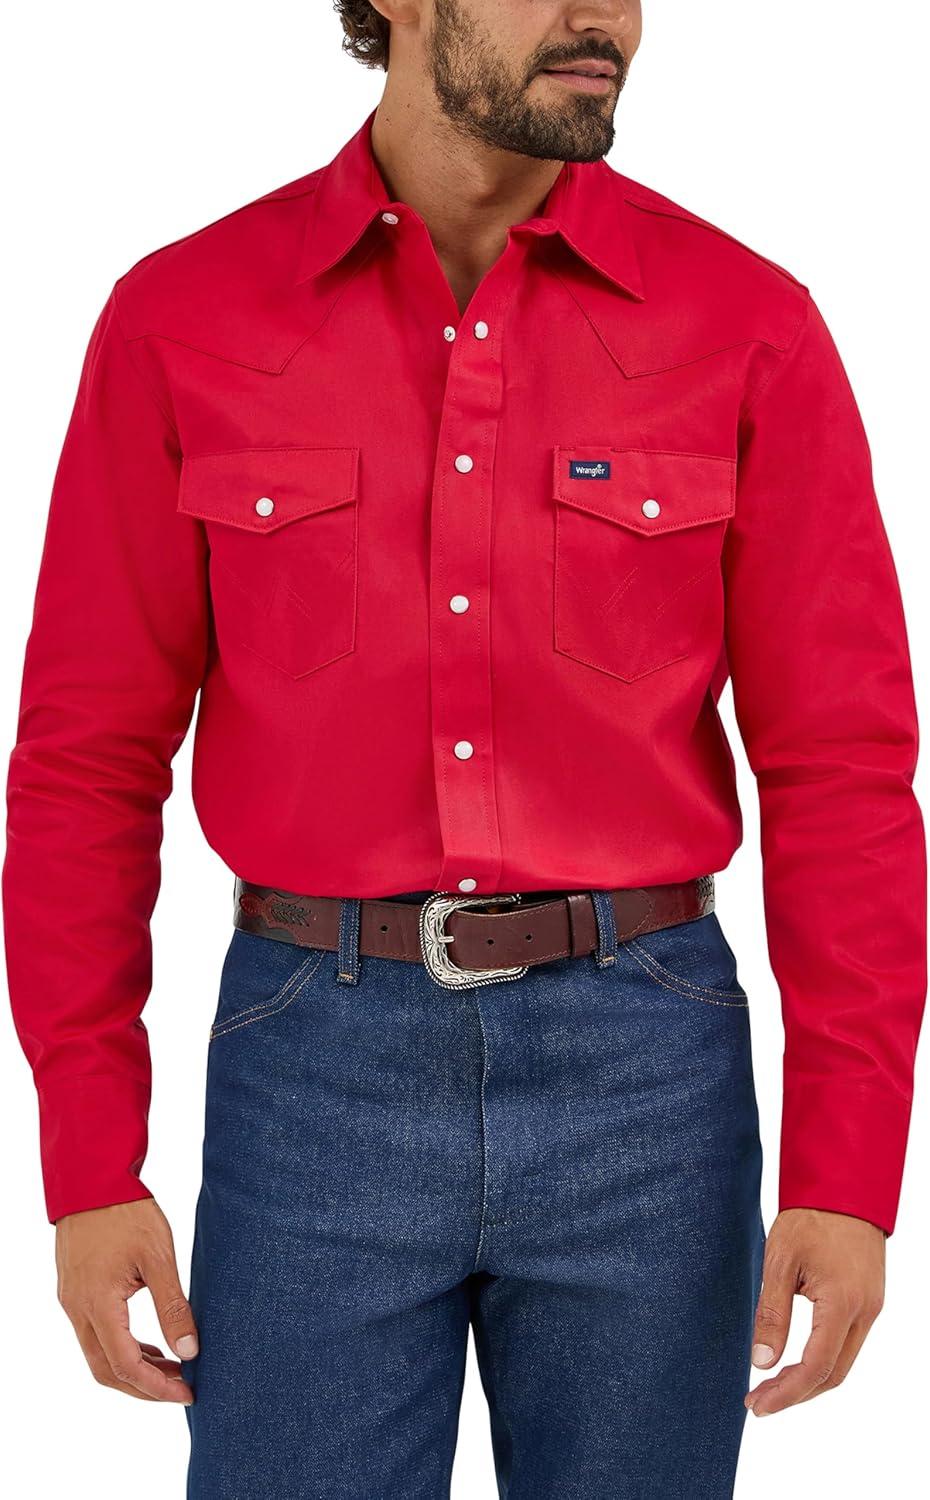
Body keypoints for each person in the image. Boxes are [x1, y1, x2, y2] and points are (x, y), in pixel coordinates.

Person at [3, 2, 925, 1496]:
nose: (603, 15)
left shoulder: (746, 322)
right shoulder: (184, 315)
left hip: (649, 1076)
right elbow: (85, 762)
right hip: (310, 1064)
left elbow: (842, 770)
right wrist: (86, 1162)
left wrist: (848, 1168)